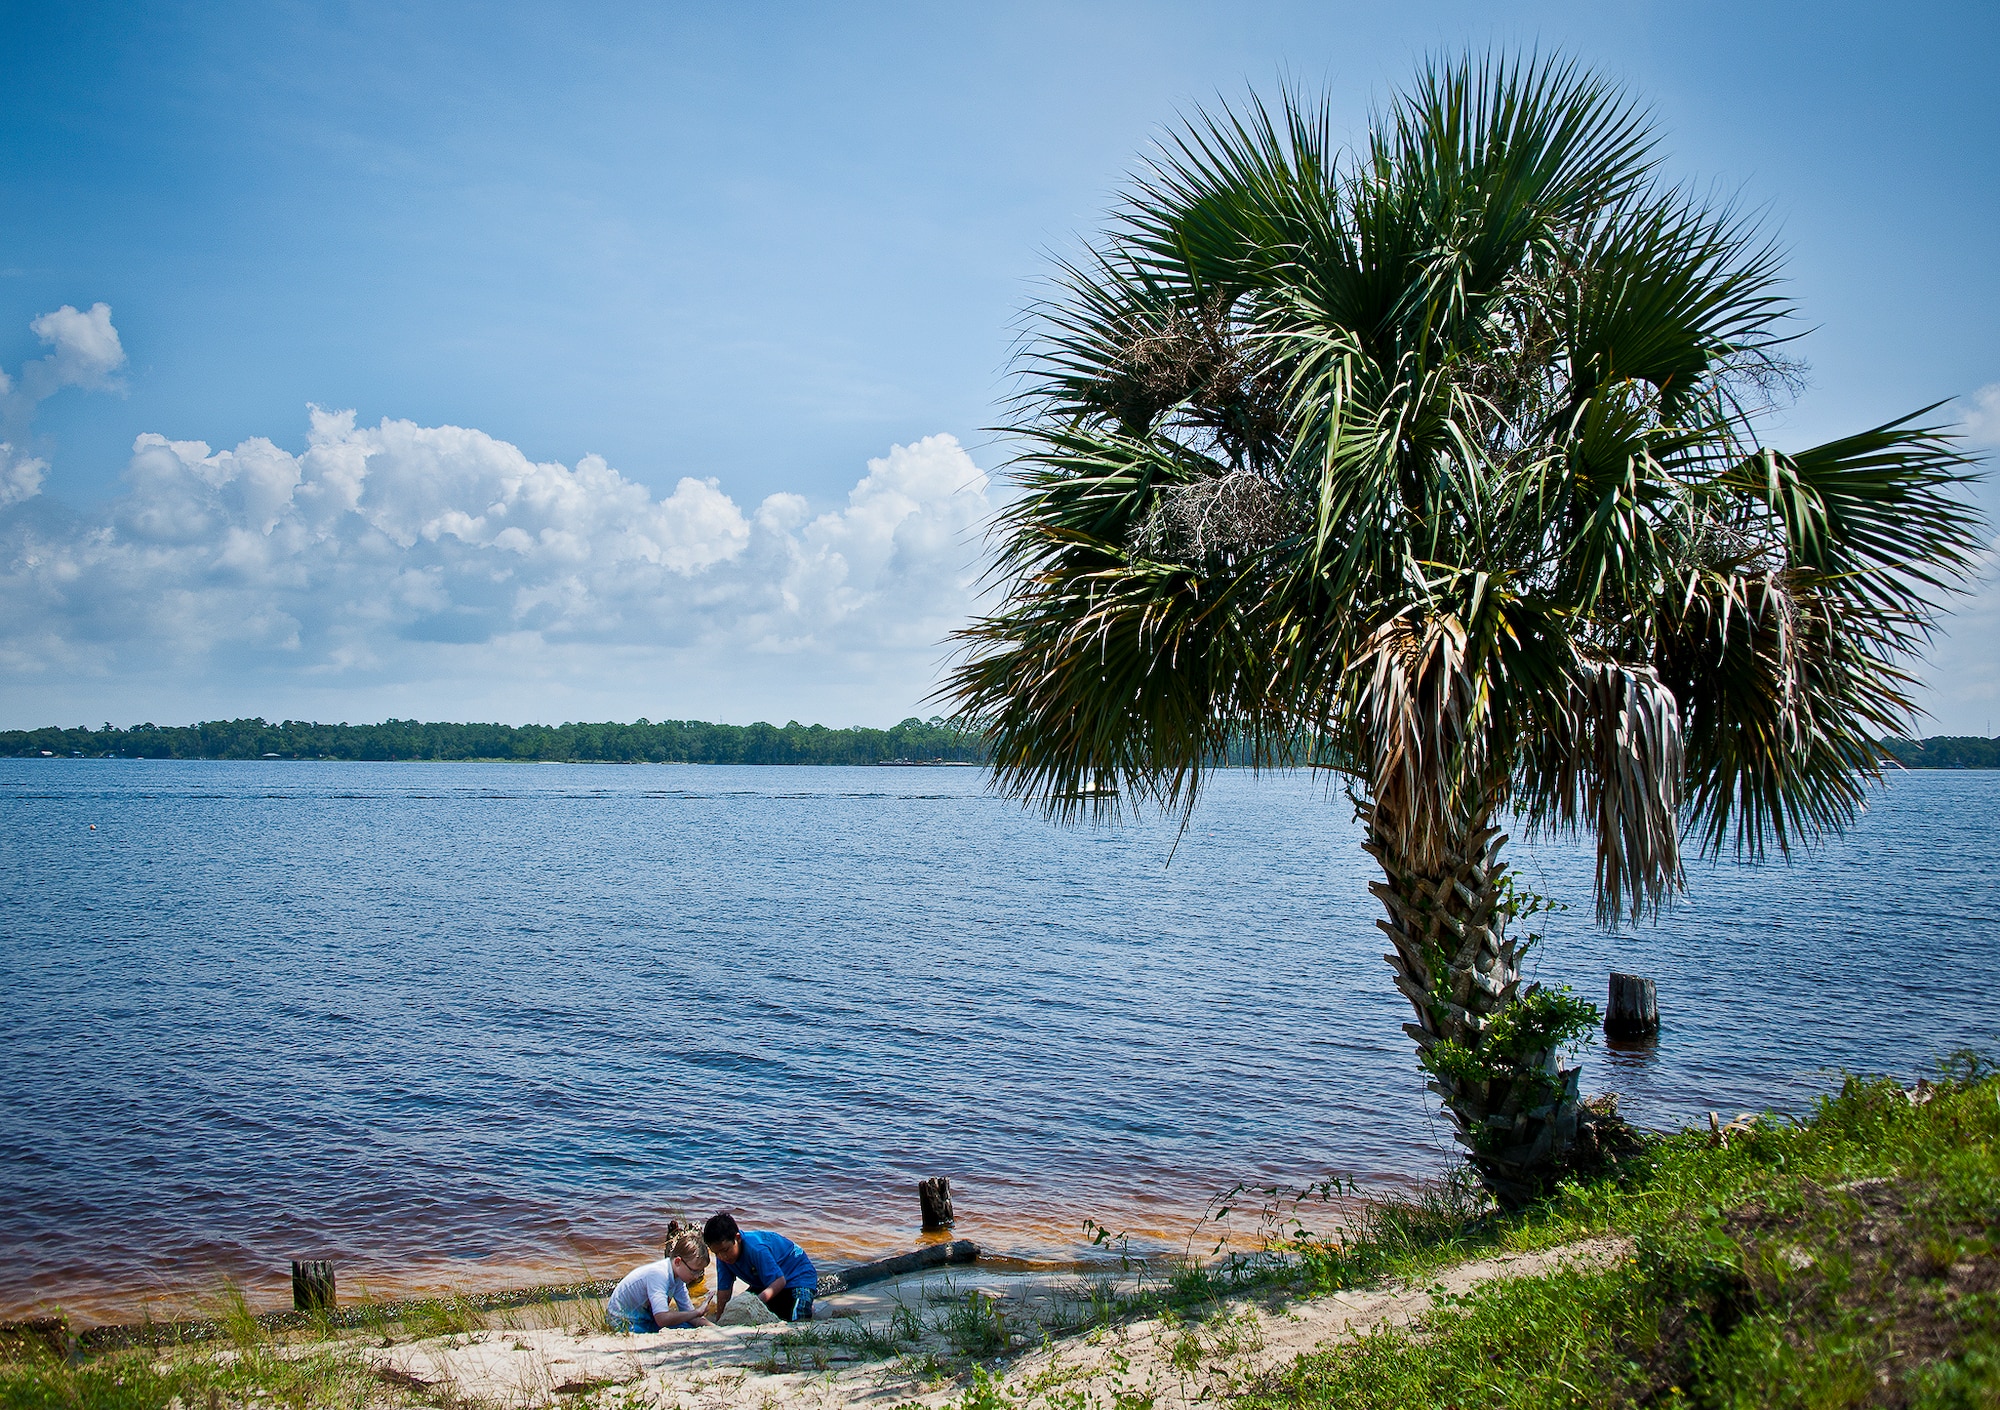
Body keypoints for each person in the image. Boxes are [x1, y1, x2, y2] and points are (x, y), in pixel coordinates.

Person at [703, 1211, 820, 1322]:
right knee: (740, 1311)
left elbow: (780, 1281)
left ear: (737, 1238)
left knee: (798, 1318)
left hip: (798, 1276)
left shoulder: (757, 1249)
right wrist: (720, 1318)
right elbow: (724, 1290)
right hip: (766, 1283)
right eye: (716, 1253)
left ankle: (806, 1305)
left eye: (725, 1250)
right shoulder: (723, 1257)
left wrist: (755, 1302)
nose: (722, 1256)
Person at [606, 1231, 714, 1333]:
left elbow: (692, 1317)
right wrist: (697, 1312)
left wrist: (715, 1329)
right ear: (678, 1262)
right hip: (623, 1321)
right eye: (694, 1271)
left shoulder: (679, 1279)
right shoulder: (659, 1274)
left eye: (699, 1272)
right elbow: (662, 1319)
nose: (696, 1277)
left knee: (690, 1326)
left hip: (646, 1319)